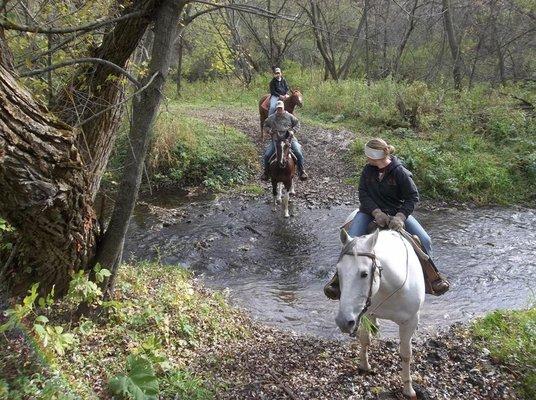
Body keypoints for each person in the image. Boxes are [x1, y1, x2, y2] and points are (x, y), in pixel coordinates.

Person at [324, 138, 449, 299]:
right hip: (368, 212)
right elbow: (363, 193)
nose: (367, 159)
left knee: (425, 240)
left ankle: (432, 278)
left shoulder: (400, 172)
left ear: (376, 156)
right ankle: (338, 280)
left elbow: (412, 196)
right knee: (352, 240)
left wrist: (401, 216)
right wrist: (376, 212)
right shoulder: (368, 170)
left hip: (396, 214)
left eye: (368, 156)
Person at [261, 100, 308, 181]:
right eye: (278, 108)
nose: (279, 110)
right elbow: (265, 125)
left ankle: (301, 171)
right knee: (267, 155)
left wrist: (293, 131)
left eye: (281, 108)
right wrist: (269, 131)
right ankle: (266, 172)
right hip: (276, 140)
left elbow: (297, 124)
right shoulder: (272, 117)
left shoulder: (290, 116)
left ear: (283, 108)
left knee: (298, 152)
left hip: (289, 139)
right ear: (276, 108)